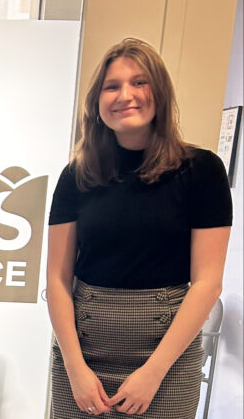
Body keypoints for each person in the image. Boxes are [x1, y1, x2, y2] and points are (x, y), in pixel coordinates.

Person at [46, 38, 232, 418]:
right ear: (97, 101)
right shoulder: (76, 175)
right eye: (111, 86)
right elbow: (57, 280)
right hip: (82, 354)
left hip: (167, 358)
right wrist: (75, 369)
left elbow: (208, 283)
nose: (125, 95)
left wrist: (153, 372)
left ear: (159, 92)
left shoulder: (202, 171)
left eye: (139, 82)